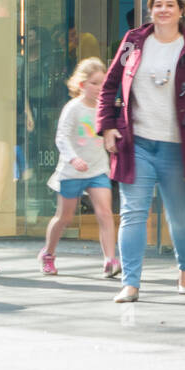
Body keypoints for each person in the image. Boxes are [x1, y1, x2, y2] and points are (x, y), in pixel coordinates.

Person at [98, 0, 185, 303]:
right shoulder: (133, 42)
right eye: (158, 5)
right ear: (151, 10)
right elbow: (109, 86)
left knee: (179, 216)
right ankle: (131, 282)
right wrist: (107, 127)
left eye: (170, 5)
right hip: (136, 144)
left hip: (178, 148)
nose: (163, 10)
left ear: (181, 11)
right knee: (133, 213)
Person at [38, 57, 119, 278]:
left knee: (104, 213)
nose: (99, 88)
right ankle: (48, 254)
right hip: (72, 171)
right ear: (82, 85)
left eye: (102, 83)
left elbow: (111, 132)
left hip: (97, 169)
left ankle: (110, 259)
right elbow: (61, 137)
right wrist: (73, 159)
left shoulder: (106, 108)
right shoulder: (72, 108)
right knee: (64, 217)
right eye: (94, 83)